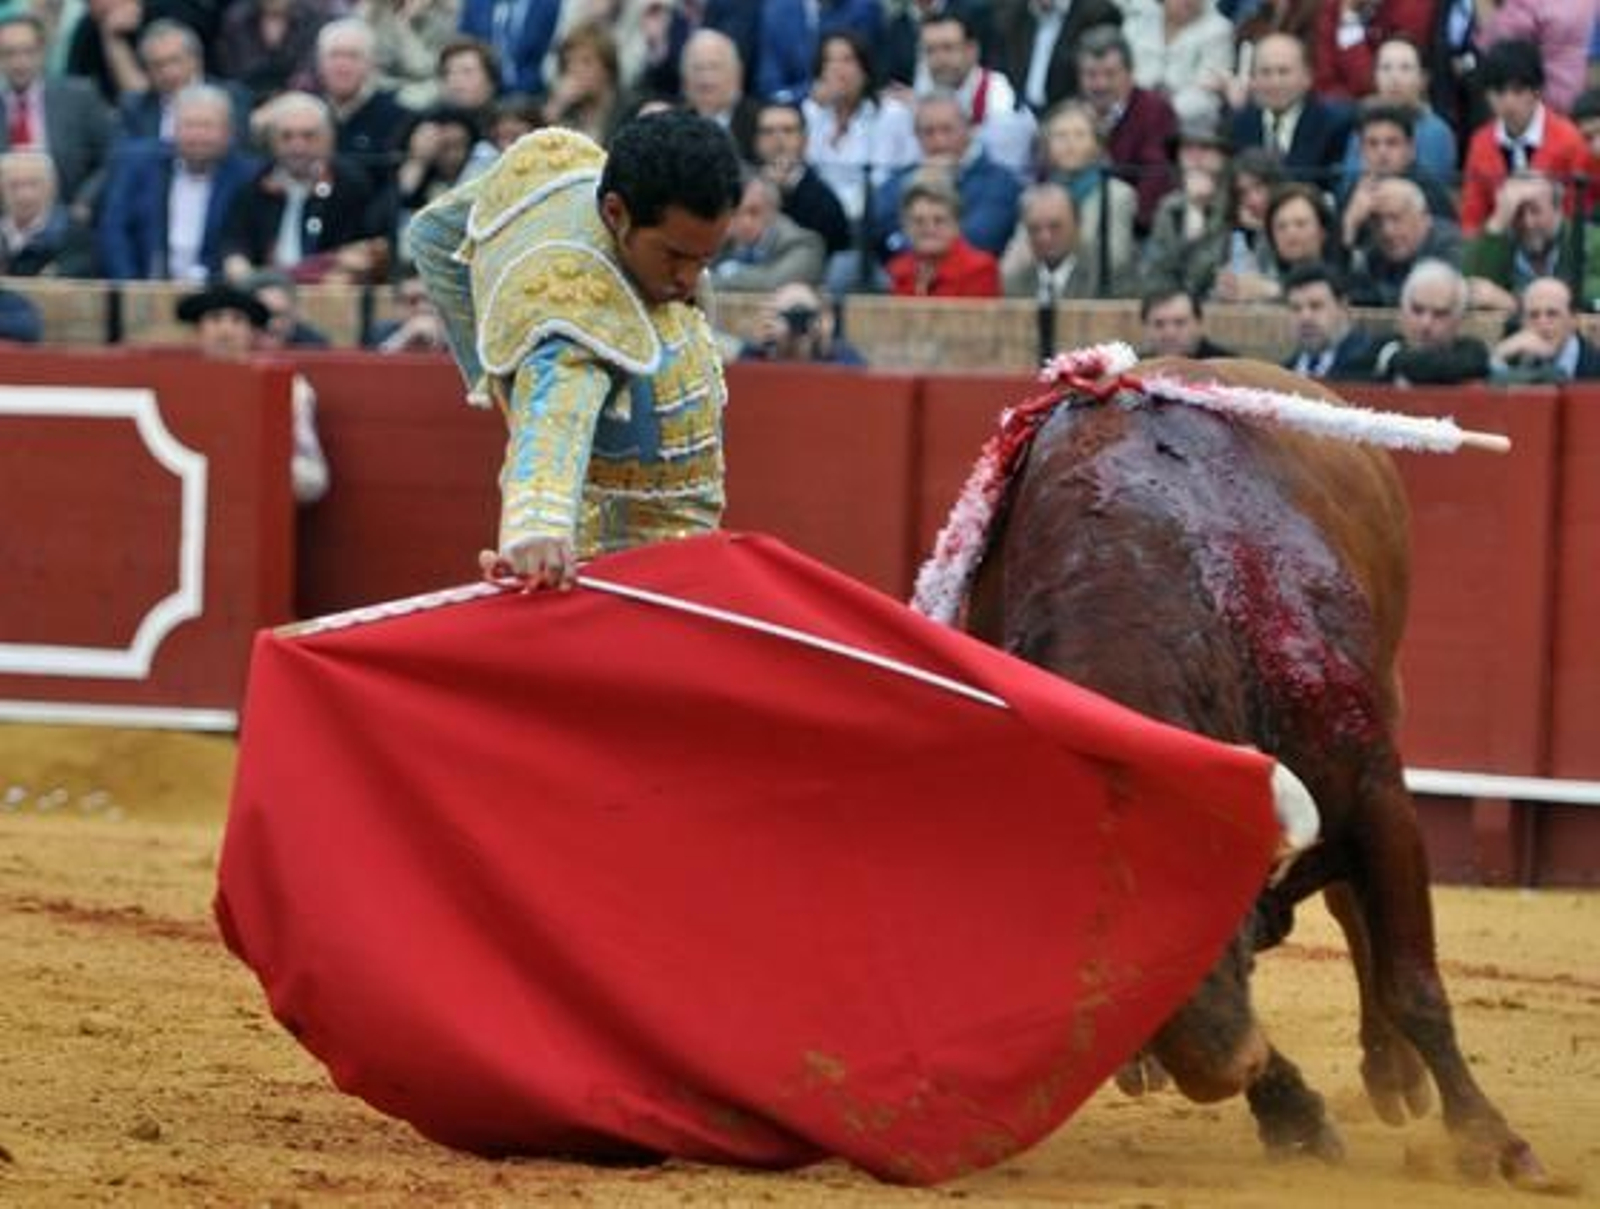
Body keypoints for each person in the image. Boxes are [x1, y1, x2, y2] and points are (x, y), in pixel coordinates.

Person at [408, 110, 743, 589]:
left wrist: (497, 370)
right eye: (673, 255)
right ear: (615, 213)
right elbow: (556, 413)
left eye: (705, 258)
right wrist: (536, 526)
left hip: (678, 572)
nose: (689, 279)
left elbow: (435, 234)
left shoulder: (566, 174)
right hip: (607, 583)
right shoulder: (577, 314)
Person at [176, 280, 331, 504]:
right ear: (197, 332)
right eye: (215, 319)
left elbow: (313, 480)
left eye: (237, 320)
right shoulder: (180, 389)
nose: (225, 330)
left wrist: (251, 468)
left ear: (252, 333)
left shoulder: (291, 390)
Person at [97, 84, 262, 281]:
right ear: (174, 129)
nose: (198, 136)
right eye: (190, 126)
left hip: (218, 297)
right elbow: (114, 231)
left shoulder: (248, 175)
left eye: (207, 126)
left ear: (228, 133)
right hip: (146, 289)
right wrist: (131, 289)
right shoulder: (138, 165)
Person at [1459, 39, 1590, 237]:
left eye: (1518, 90)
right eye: (1499, 92)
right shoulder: (1481, 142)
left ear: (1537, 91)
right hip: (1500, 251)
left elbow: (1579, 212)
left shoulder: (1569, 140)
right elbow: (1472, 218)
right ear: (1487, 95)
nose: (1508, 102)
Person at [1074, 25, 1177, 236]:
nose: (1100, 84)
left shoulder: (1155, 111)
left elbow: (1156, 176)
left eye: (1110, 74)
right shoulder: (1071, 114)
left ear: (1130, 74)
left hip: (1130, 225)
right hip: (1072, 217)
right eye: (1091, 75)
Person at [1462, 172, 1600, 310]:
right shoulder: (1498, 242)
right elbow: (1470, 291)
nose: (1528, 223)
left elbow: (1591, 296)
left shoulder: (1591, 242)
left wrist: (1515, 302)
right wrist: (1497, 224)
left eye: (1535, 211)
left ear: (1557, 210)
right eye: (1518, 212)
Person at [1228, 33, 1352, 185]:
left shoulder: (1333, 125)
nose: (1275, 82)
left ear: (1307, 77)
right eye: (1265, 72)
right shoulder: (1238, 125)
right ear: (1252, 79)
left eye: (1284, 72)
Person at [1001, 180, 1131, 299]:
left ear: (1077, 225)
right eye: (1035, 229)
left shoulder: (1107, 276)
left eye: (1055, 227)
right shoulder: (1014, 283)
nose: (1044, 237)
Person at [1370, 258, 1490, 385]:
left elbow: (1429, 366)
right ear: (1402, 311)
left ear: (1459, 320)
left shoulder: (1472, 355)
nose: (1425, 323)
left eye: (1440, 314)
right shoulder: (1379, 347)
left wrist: (1391, 359)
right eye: (1417, 310)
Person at [885, 170, 999, 297]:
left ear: (957, 225)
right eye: (918, 221)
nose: (929, 228)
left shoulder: (980, 269)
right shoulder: (898, 270)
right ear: (905, 227)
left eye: (939, 221)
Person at [710, 172, 826, 292]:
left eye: (753, 212)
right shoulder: (727, 240)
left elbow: (772, 283)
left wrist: (729, 274)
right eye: (736, 213)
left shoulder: (804, 244)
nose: (744, 221)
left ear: (773, 210)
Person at [0, 149, 97, 276]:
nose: (24, 195)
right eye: (14, 185)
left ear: (51, 187)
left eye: (33, 184)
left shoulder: (73, 234)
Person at [1489, 276, 1600, 383]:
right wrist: (1500, 354)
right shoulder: (1513, 360)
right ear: (1523, 322)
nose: (1542, 323)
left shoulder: (1594, 364)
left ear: (1573, 320)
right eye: (1533, 315)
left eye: (1552, 314)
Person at [1281, 263, 1379, 380]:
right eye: (1296, 308)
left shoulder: (1372, 366)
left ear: (1343, 307)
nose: (1305, 317)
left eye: (1316, 306)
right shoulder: (1282, 374)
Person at [736, 281, 866, 365]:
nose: (797, 322)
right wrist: (760, 347)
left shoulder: (842, 355)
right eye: (789, 315)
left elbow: (859, 383)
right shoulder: (757, 355)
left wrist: (824, 345)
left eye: (805, 314)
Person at [1139, 285, 1233, 358]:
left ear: (1199, 324)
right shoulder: (1133, 369)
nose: (1170, 333)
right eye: (1159, 324)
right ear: (1145, 328)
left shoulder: (1229, 369)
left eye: (1180, 323)